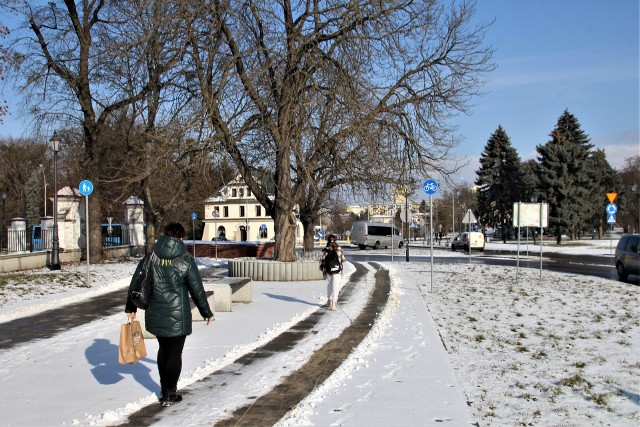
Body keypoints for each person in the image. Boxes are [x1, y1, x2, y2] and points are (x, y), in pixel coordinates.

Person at [125, 222, 213, 406]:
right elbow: (196, 289)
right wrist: (206, 312)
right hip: (177, 315)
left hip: (155, 312)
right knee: (174, 353)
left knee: (163, 350)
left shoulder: (151, 257)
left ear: (165, 235)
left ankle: (164, 390)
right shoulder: (185, 259)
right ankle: (170, 393)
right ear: (181, 237)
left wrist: (130, 308)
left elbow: (136, 282)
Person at [320, 235, 346, 311]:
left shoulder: (326, 249)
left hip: (328, 271)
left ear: (328, 240)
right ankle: (334, 303)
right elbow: (344, 260)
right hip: (337, 271)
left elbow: (321, 259)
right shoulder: (339, 249)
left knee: (330, 286)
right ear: (335, 240)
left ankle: (329, 299)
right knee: (336, 287)